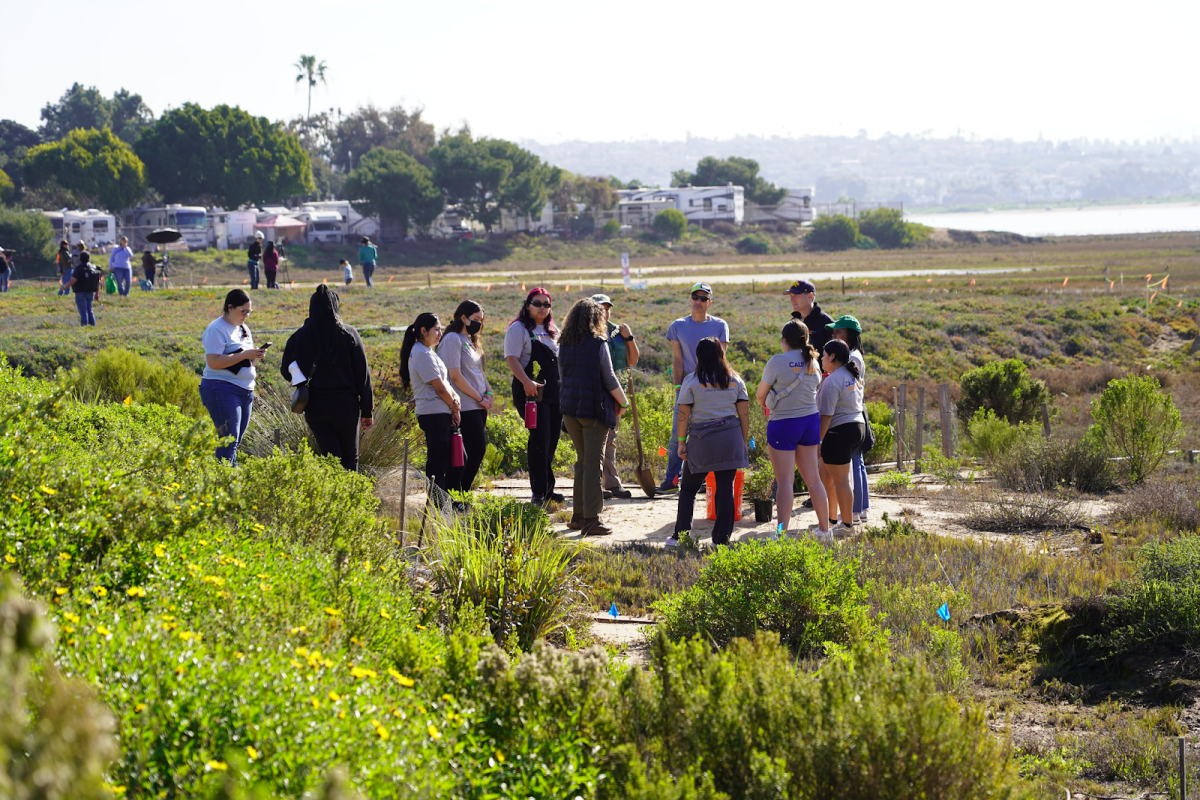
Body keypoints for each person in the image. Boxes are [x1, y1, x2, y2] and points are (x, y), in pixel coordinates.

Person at [280, 285, 375, 471]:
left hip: (315, 406)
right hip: (345, 406)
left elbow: (285, 369)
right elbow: (363, 376)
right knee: (349, 457)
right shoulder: (349, 334)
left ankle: (332, 496)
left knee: (330, 457)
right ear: (336, 307)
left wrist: (301, 382)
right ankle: (350, 496)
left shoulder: (298, 337)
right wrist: (366, 411)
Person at [668, 337, 749, 547]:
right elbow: (744, 415)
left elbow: (683, 414)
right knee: (725, 490)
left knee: (688, 489)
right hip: (730, 440)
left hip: (701, 442)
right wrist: (742, 440)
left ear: (698, 357)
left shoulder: (692, 381)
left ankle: (681, 537)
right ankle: (721, 540)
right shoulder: (735, 380)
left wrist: (681, 442)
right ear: (722, 354)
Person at [559, 298, 629, 536]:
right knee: (592, 465)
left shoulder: (564, 343)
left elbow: (563, 376)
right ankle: (591, 519)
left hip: (570, 411)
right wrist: (623, 401)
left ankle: (578, 516)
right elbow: (609, 378)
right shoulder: (598, 342)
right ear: (595, 318)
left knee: (582, 462)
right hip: (593, 410)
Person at [755, 320, 830, 538]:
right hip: (809, 422)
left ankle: (780, 533)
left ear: (784, 340)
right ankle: (825, 530)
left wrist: (769, 403)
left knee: (785, 482)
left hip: (784, 424)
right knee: (814, 480)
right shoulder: (814, 361)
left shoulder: (777, 362)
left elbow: (761, 396)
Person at [660, 283, 730, 493]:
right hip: (687, 386)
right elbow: (678, 359)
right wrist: (678, 386)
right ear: (690, 299)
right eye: (695, 297)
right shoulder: (678, 326)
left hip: (712, 386)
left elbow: (722, 358)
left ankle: (703, 479)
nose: (698, 302)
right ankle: (672, 478)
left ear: (710, 302)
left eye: (703, 298)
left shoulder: (720, 325)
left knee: (707, 432)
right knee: (677, 434)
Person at [504, 287, 563, 507]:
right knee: (540, 440)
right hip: (531, 394)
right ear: (527, 305)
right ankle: (538, 492)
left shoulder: (552, 330)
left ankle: (548, 489)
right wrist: (526, 382)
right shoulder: (518, 328)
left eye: (546, 304)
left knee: (552, 441)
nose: (542, 308)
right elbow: (512, 359)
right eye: (537, 303)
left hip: (554, 393)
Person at [199, 290, 266, 465]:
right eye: (243, 311)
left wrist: (254, 357)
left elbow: (246, 363)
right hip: (221, 388)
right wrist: (245, 355)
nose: (246, 315)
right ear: (230, 307)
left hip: (245, 390)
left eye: (249, 312)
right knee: (229, 440)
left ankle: (228, 480)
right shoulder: (216, 328)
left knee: (235, 442)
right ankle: (224, 482)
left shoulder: (244, 329)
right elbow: (213, 362)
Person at [400, 313, 461, 495]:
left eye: (440, 329)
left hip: (442, 412)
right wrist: (454, 406)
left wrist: (454, 401)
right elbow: (440, 388)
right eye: (436, 329)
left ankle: (447, 499)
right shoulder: (420, 353)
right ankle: (438, 503)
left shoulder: (427, 352)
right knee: (438, 461)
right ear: (423, 331)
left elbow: (445, 384)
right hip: (433, 413)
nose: (440, 334)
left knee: (452, 458)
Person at [438, 300, 493, 494]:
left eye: (481, 320)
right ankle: (457, 492)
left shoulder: (470, 340)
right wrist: (479, 397)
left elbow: (478, 371)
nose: (479, 323)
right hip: (465, 405)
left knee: (475, 452)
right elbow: (455, 375)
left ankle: (462, 492)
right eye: (475, 319)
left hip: (478, 403)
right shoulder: (452, 339)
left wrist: (488, 392)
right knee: (473, 451)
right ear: (463, 317)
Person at [591, 293, 639, 500]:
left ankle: (610, 483)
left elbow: (634, 360)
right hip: (595, 391)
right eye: (600, 308)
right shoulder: (586, 332)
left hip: (617, 391)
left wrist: (629, 337)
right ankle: (600, 483)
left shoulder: (618, 331)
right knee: (597, 438)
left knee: (611, 438)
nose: (605, 311)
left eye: (608, 308)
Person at [817, 339, 866, 537]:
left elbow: (826, 416)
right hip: (857, 427)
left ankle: (846, 525)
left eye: (824, 354)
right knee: (825, 476)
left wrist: (817, 442)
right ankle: (831, 520)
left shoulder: (832, 381)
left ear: (833, 356)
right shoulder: (850, 375)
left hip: (839, 432)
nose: (821, 357)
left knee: (841, 481)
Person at [827, 315, 870, 524]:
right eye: (834, 332)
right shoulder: (856, 355)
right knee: (857, 462)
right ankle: (859, 510)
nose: (834, 335)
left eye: (839, 332)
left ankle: (852, 513)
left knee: (851, 466)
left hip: (849, 415)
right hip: (857, 413)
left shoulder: (852, 358)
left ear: (851, 334)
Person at [785, 279, 835, 357]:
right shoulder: (794, 322)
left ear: (810, 296)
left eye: (796, 295)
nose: (792, 300)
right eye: (791, 296)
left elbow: (832, 356)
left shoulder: (826, 323)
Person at [64, 251, 101, 326]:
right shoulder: (93, 268)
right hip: (91, 292)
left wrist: (64, 286)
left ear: (80, 259)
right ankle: (93, 325)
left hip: (80, 292)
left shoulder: (78, 268)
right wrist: (97, 294)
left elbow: (73, 281)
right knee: (90, 310)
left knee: (83, 311)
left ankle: (84, 325)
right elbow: (97, 282)